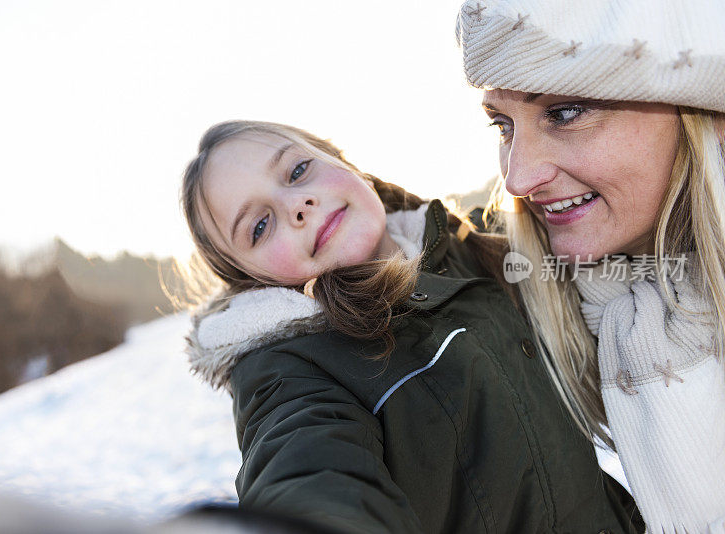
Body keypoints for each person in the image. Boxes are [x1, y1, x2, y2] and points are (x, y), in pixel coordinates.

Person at [180, 120, 642, 533]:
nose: (297, 206)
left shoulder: (468, 246)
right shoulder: (290, 370)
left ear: (342, 161)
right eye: (259, 225)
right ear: (252, 279)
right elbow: (307, 472)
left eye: (298, 171)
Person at [457, 0, 725, 531]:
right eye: (504, 126)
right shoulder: (588, 300)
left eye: (564, 112)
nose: (517, 177)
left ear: (708, 114)